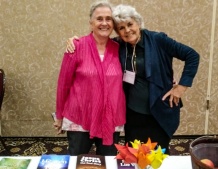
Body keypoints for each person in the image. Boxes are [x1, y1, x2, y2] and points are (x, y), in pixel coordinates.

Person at [66, 4, 199, 154]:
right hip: (133, 114)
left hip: (159, 112)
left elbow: (192, 56)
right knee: (133, 155)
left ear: (138, 22)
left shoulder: (158, 40)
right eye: (121, 28)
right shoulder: (119, 45)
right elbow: (97, 42)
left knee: (158, 155)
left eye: (130, 24)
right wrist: (75, 41)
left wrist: (181, 87)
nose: (127, 30)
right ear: (117, 31)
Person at [54, 1, 126, 156]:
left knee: (108, 162)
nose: (104, 23)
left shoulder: (120, 48)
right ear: (91, 23)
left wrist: (167, 79)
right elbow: (63, 84)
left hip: (111, 118)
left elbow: (138, 65)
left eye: (108, 19)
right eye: (99, 19)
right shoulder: (76, 46)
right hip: (80, 116)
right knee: (77, 160)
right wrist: (59, 115)